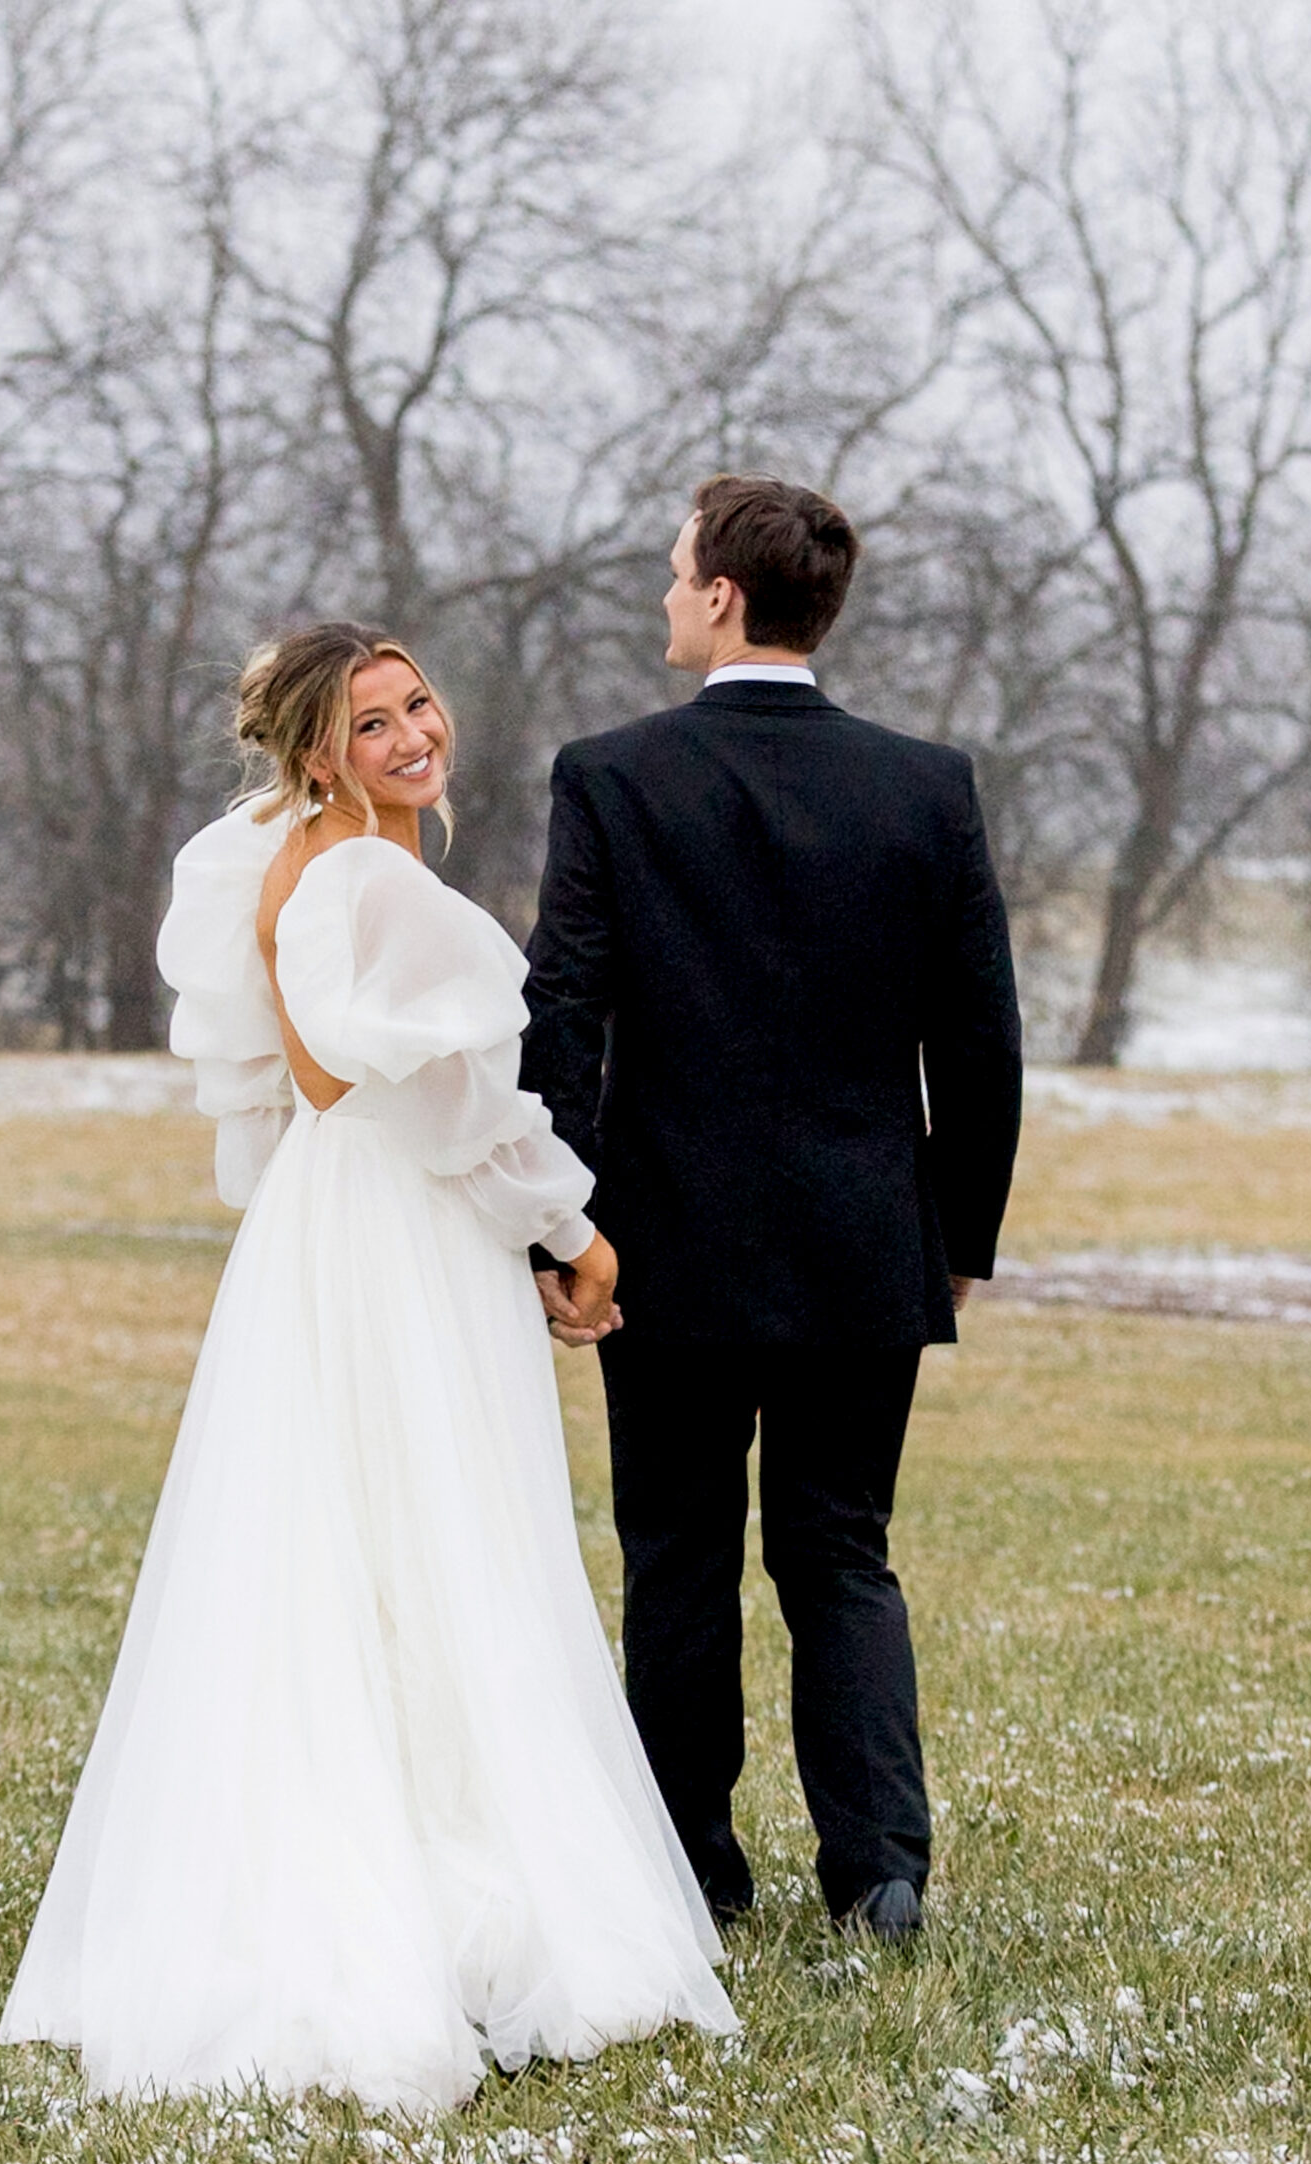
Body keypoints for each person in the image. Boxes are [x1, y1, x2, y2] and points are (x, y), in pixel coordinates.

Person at [0, 623, 736, 2115]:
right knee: (444, 1534)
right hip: (402, 1231)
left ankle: (354, 1858)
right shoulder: (377, 883)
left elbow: (301, 1087)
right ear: (316, 752)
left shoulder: (277, 867)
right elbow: (464, 1106)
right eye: (370, 720)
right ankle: (447, 1895)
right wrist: (572, 1235)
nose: (412, 733)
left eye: (416, 703)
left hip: (319, 1226)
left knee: (332, 1545)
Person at [523, 476, 1023, 1943]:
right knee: (839, 1548)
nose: (667, 595)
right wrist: (957, 1234)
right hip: (865, 1237)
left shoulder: (610, 776)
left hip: (662, 1240)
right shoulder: (924, 785)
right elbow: (978, 1040)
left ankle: (691, 1870)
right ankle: (880, 1875)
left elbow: (564, 1013)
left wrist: (564, 1225)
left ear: (726, 595)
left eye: (678, 573)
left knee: (677, 1552)